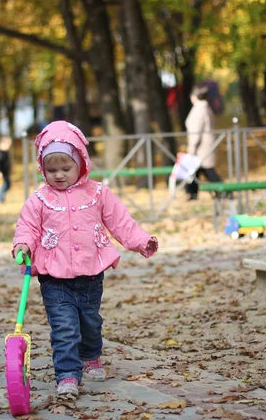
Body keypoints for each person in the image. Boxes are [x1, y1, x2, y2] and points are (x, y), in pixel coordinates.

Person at [12, 121, 158, 399]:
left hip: (91, 274)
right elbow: (27, 227)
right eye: (51, 170)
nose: (58, 175)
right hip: (53, 276)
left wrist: (141, 241)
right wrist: (23, 243)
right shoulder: (40, 199)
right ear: (43, 169)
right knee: (64, 326)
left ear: (81, 162)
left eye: (65, 168)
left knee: (90, 322)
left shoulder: (98, 194)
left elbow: (121, 222)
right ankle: (67, 375)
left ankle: (91, 354)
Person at [185, 84, 223, 200]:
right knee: (196, 170)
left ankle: (222, 191)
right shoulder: (205, 107)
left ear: (195, 96)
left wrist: (192, 145)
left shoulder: (199, 109)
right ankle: (192, 193)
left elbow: (196, 129)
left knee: (207, 170)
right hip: (205, 145)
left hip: (201, 147)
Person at [0, 136, 12, 203]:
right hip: (2, 172)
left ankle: (0, 197)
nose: (9, 146)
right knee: (5, 184)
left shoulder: (5, 152)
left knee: (7, 184)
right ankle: (0, 198)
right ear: (3, 144)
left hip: (5, 171)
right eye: (8, 145)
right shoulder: (0, 153)